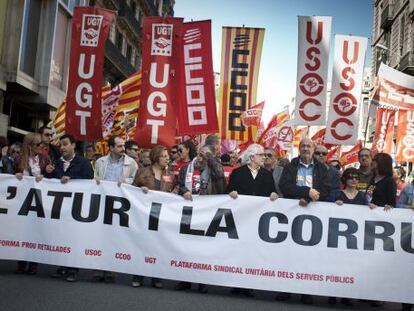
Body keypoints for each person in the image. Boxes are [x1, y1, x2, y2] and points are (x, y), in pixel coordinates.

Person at [277, 138, 330, 305]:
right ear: (299, 149)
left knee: (309, 253)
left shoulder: (322, 168)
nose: (305, 148)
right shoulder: (290, 166)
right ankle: (286, 289)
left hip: (313, 214)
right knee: (289, 252)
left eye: (308, 146)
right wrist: (306, 192)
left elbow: (327, 189)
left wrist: (310, 198)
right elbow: (284, 186)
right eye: (303, 146)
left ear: (314, 149)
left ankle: (306, 290)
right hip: (292, 213)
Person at [226, 143, 278, 298]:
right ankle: (235, 283)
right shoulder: (237, 173)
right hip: (240, 219)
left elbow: (272, 192)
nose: (265, 158)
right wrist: (231, 193)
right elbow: (227, 191)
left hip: (258, 220)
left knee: (253, 251)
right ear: (252, 157)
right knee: (238, 250)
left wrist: (274, 195)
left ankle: (249, 284)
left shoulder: (267, 175)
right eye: (262, 155)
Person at [175, 145, 226, 294]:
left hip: (207, 212)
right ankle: (185, 280)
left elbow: (220, 178)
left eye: (206, 154)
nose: (201, 157)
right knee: (187, 246)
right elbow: (180, 185)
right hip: (190, 211)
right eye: (200, 153)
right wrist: (184, 191)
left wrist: (210, 158)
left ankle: (202, 281)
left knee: (204, 247)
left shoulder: (213, 168)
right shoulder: (187, 168)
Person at [46, 134, 94, 282]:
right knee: (61, 237)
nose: (62, 147)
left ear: (73, 145)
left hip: (76, 208)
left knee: (74, 238)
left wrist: (72, 180)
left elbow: (89, 181)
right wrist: (47, 173)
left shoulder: (84, 162)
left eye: (65, 144)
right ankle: (61, 266)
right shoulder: (55, 163)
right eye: (61, 145)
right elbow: (48, 183)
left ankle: (73, 268)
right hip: (60, 208)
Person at [93, 136, 138, 282]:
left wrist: (127, 181)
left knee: (116, 237)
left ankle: (112, 269)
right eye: (119, 146)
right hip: (102, 202)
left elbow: (136, 180)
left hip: (120, 205)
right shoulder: (100, 162)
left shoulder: (131, 163)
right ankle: (98, 268)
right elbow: (94, 178)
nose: (123, 149)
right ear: (111, 148)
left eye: (123, 146)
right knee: (99, 236)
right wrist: (96, 180)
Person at [131, 145, 175, 289]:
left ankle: (157, 277)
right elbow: (131, 191)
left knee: (159, 247)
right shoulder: (142, 172)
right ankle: (138, 275)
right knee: (142, 245)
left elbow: (175, 189)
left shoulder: (170, 175)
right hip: (144, 216)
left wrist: (176, 193)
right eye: (164, 155)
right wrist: (139, 190)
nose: (167, 158)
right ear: (156, 157)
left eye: (168, 155)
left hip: (161, 217)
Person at [14, 133, 50, 275]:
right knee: (22, 232)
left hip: (39, 202)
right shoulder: (18, 160)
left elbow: (53, 178)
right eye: (38, 144)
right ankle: (21, 263)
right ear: (29, 146)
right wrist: (15, 176)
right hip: (21, 202)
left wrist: (46, 175)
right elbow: (7, 177)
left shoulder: (45, 159)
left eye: (42, 143)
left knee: (36, 231)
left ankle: (34, 263)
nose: (41, 146)